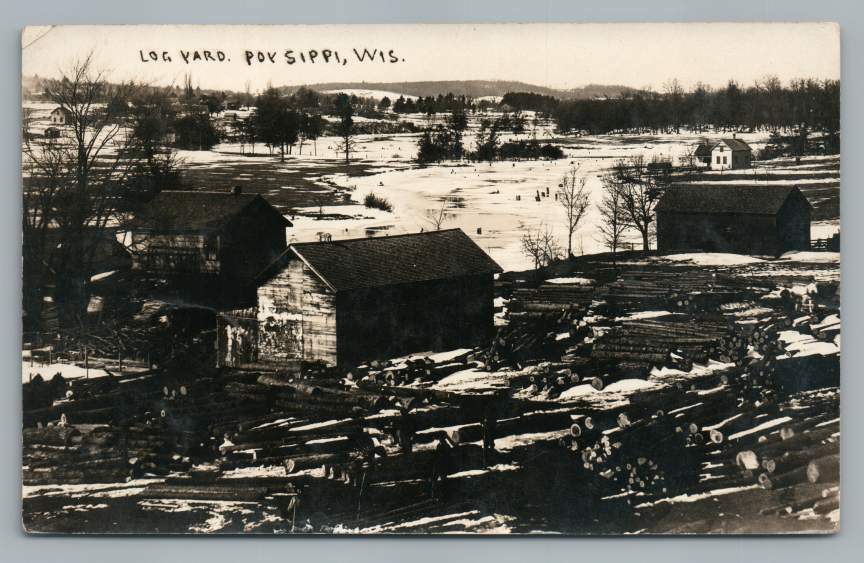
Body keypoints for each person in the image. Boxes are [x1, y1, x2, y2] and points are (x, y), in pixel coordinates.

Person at [430, 434, 455, 501]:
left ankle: (441, 496)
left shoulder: (445, 446)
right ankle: (436, 496)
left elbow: (447, 455)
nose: (440, 439)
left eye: (440, 438)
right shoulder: (440, 445)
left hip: (442, 465)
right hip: (439, 465)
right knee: (437, 480)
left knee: (442, 481)